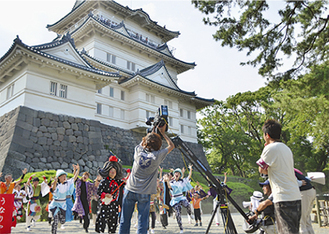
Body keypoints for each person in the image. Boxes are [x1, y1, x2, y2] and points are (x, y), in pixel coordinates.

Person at [119, 124, 174, 234]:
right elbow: (171, 145)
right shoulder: (158, 155)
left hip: (130, 189)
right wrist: (162, 133)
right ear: (158, 145)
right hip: (145, 192)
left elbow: (143, 143)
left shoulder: (138, 150)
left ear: (145, 142)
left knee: (125, 220)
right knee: (142, 222)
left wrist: (152, 132)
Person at [256, 119, 301, 234]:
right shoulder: (286, 148)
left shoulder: (270, 148)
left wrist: (265, 148)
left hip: (283, 197)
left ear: (267, 135)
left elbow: (261, 170)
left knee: (286, 231)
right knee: (294, 231)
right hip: (295, 195)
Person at [96, 155, 125, 234]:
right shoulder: (104, 182)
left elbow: (125, 185)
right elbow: (99, 192)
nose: (113, 172)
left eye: (114, 171)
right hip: (104, 204)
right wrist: (105, 195)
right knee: (102, 220)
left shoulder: (119, 182)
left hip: (114, 205)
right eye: (111, 171)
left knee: (113, 222)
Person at [49, 164, 80, 234]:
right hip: (55, 203)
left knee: (63, 220)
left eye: (65, 176)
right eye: (62, 176)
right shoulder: (56, 184)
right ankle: (54, 232)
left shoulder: (68, 183)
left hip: (63, 203)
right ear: (59, 177)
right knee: (55, 219)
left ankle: (60, 222)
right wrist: (54, 182)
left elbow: (74, 178)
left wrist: (78, 170)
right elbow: (53, 190)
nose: (64, 177)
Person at [169, 165, 194, 233]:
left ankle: (190, 214)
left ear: (180, 175)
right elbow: (170, 187)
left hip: (181, 197)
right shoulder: (171, 182)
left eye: (178, 173)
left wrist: (190, 169)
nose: (176, 174)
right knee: (178, 214)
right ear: (174, 175)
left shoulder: (182, 181)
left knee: (188, 205)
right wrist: (166, 181)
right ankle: (181, 228)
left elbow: (189, 177)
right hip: (175, 199)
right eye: (175, 173)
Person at [294, 169, 316, 234]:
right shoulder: (295, 170)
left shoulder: (287, 169)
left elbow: (294, 182)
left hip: (304, 192)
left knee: (302, 222)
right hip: (310, 191)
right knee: (307, 220)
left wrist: (300, 183)